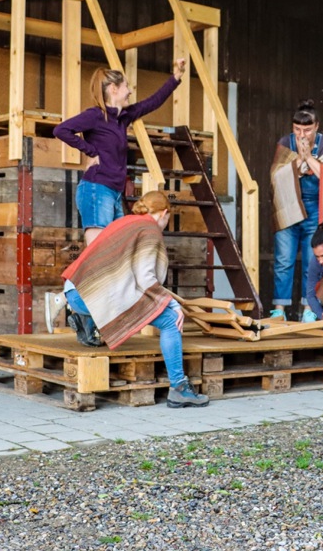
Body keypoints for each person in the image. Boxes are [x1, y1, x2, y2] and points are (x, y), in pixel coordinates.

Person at [60, 190, 208, 408]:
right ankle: (179, 388)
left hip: (74, 291)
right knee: (169, 320)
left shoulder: (125, 222)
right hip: (92, 295)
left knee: (121, 292)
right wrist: (174, 304)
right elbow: (145, 278)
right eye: (168, 218)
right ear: (165, 213)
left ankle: (88, 321)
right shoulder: (150, 229)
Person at [55, 60, 186, 244]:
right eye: (126, 86)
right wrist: (91, 151)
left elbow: (153, 102)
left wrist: (176, 77)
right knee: (99, 251)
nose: (130, 91)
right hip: (97, 188)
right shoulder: (95, 116)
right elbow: (61, 130)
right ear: (113, 89)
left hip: (114, 192)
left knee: (116, 251)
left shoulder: (123, 118)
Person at [269, 100, 323, 320]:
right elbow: (276, 177)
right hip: (288, 207)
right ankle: (279, 310)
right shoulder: (285, 143)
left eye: (307, 130)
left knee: (312, 262)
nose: (302, 134)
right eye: (297, 129)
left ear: (316, 126)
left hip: (315, 209)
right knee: (283, 261)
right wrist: (299, 162)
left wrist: (308, 158)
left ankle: (309, 309)